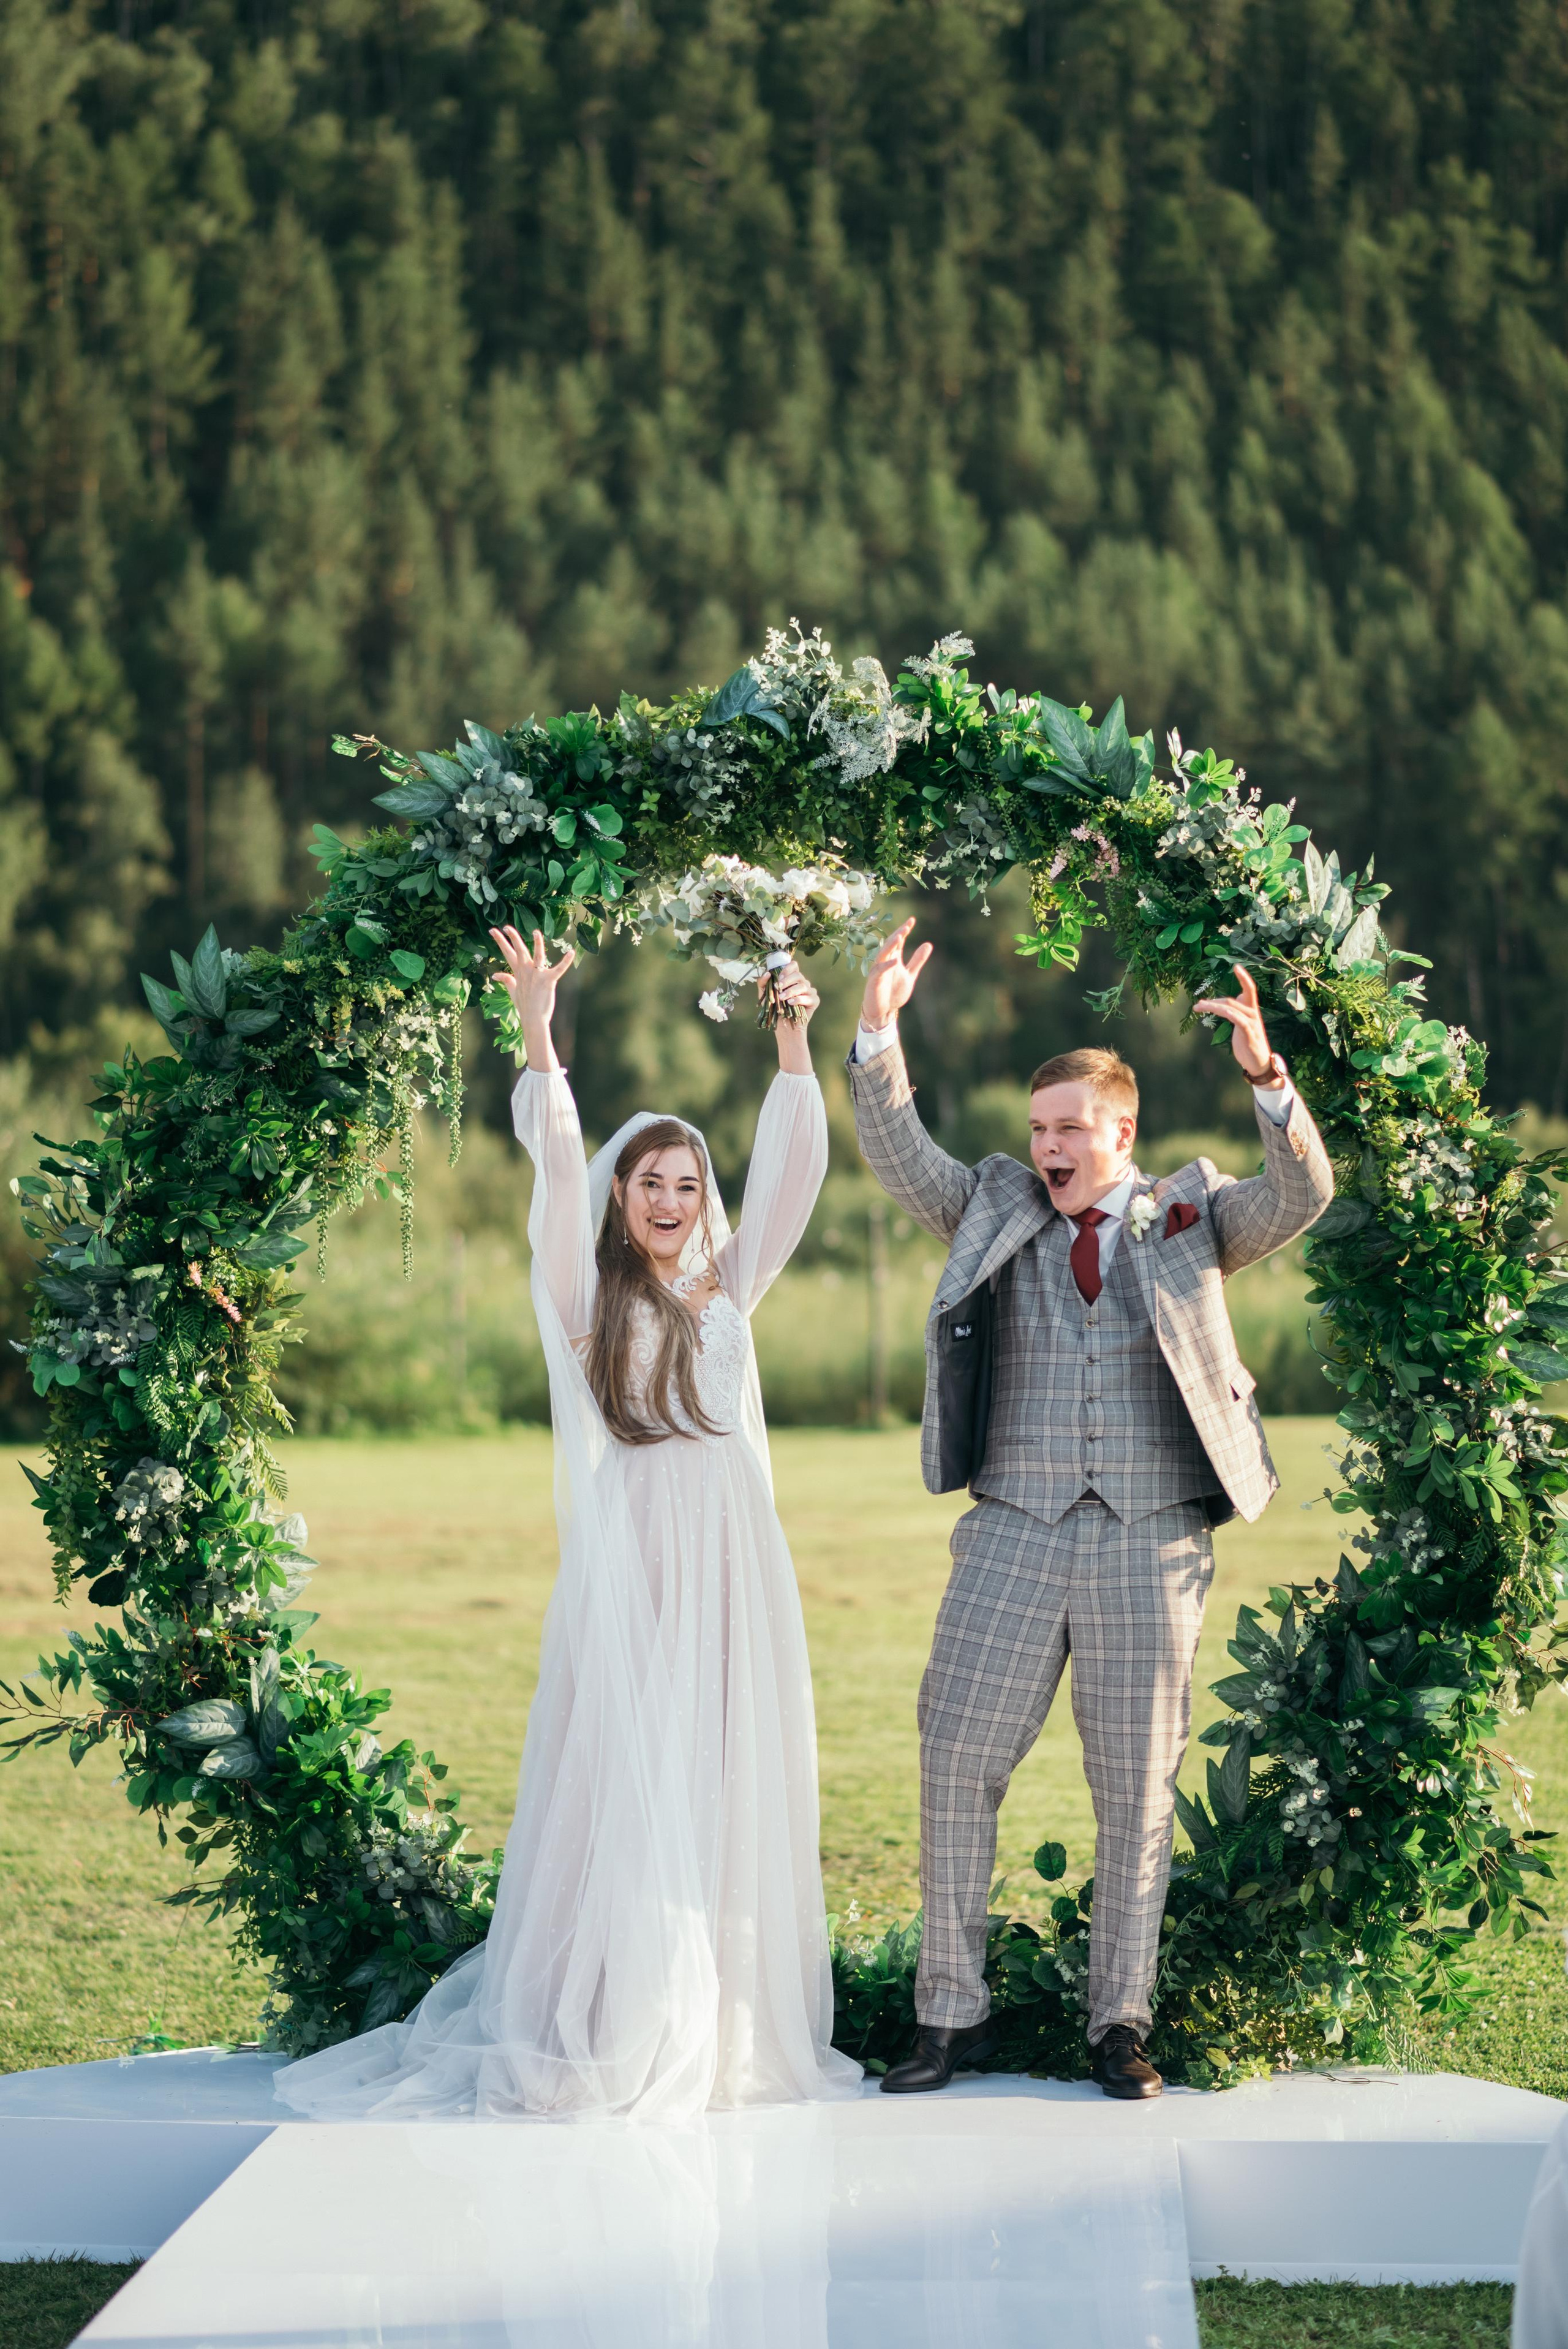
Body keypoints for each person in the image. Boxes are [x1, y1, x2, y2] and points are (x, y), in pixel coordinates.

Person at [275, 929, 861, 2123]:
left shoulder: (728, 1282)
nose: (669, 1197)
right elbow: (551, 1170)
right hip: (641, 1557)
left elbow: (792, 1172)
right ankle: (611, 2009)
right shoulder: (586, 1300)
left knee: (725, 1768)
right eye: (648, 1180)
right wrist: (539, 1036)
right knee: (627, 1773)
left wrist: (794, 1041)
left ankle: (728, 2010)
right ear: (620, 1194)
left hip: (737, 1557)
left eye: (686, 1181)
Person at [846, 921, 1333, 2100]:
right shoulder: (996, 1206)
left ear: (1122, 1132)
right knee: (955, 1756)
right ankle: (947, 2018)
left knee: (1135, 1786)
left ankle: (1119, 2022)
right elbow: (902, 1151)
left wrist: (1271, 1083)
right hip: (1012, 1527)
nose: (1049, 1145)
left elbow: (1303, 1191)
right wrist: (878, 1032)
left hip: (1153, 1537)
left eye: (1071, 1128)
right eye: (1037, 1127)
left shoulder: (1193, 1213)